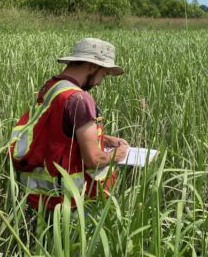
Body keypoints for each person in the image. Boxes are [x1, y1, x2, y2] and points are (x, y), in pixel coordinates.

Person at [9, 38, 129, 216]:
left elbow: (57, 132)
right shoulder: (80, 99)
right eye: (103, 75)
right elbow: (93, 160)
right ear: (92, 66)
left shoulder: (52, 87)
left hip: (41, 197)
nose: (100, 82)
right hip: (72, 203)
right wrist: (118, 155)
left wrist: (106, 139)